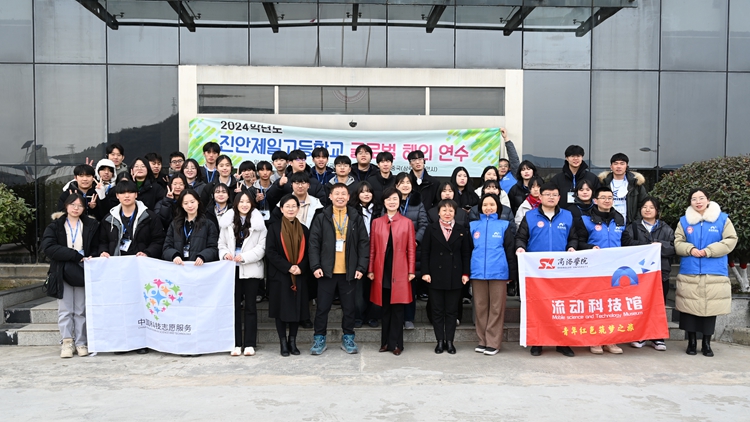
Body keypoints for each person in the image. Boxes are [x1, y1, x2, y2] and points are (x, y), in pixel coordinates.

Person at [515, 183, 578, 357]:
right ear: (540, 197)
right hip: (537, 272)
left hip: (561, 271)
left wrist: (572, 247)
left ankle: (562, 342)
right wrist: (520, 248)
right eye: (547, 194)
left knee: (561, 307)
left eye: (554, 194)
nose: (551, 197)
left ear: (559, 198)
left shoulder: (567, 216)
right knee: (538, 307)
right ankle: (537, 342)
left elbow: (573, 238)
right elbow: (521, 237)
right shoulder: (530, 216)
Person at [674, 188, 737, 357]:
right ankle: (692, 342)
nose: (698, 202)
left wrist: (710, 251)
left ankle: (707, 344)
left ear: (708, 200)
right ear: (690, 202)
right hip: (690, 270)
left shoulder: (722, 219)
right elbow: (678, 242)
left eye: (701, 198)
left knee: (710, 309)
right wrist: (690, 249)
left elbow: (731, 240)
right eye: (694, 199)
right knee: (688, 308)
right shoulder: (684, 221)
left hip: (714, 270)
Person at [308, 183, 370, 355]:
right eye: (337, 193)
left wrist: (361, 267)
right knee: (322, 308)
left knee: (349, 308)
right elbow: (313, 244)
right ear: (330, 196)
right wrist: (315, 266)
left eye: (344, 194)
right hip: (326, 271)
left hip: (349, 272)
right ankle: (319, 338)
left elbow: (364, 243)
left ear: (349, 197)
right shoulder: (321, 216)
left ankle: (348, 337)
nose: (340, 197)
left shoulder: (355, 217)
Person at [41, 194, 99, 358]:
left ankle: (81, 342)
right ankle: (67, 342)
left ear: (84, 208)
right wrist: (74, 255)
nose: (76, 208)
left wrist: (92, 256)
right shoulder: (55, 226)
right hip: (62, 270)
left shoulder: (91, 225)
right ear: (66, 206)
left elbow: (96, 246)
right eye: (73, 204)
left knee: (80, 309)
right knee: (65, 309)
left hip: (82, 270)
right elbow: (48, 247)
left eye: (80, 205)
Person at [575, 186, 626, 355]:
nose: (607, 200)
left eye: (610, 198)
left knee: (613, 306)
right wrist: (590, 247)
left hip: (615, 270)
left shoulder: (620, 219)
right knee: (595, 306)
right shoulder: (585, 220)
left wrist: (649, 247)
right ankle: (595, 340)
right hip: (594, 270)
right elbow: (579, 242)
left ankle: (611, 340)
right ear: (595, 200)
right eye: (603, 197)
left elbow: (627, 243)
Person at [622, 197, 676, 351]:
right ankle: (640, 335)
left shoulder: (666, 228)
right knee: (641, 305)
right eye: (644, 207)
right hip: (639, 275)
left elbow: (674, 248)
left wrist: (660, 246)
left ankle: (657, 337)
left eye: (651, 207)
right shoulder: (632, 227)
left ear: (657, 211)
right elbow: (627, 244)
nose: (647, 210)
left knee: (659, 305)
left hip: (660, 273)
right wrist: (648, 246)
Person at [218, 191, 267, 357]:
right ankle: (236, 343)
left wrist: (244, 257)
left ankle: (250, 344)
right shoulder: (227, 222)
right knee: (234, 307)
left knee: (250, 307)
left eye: (247, 202)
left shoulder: (259, 223)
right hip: (232, 269)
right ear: (236, 204)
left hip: (251, 269)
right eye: (241, 201)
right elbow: (221, 244)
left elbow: (261, 248)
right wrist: (225, 254)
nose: (244, 205)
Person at [368, 187, 416, 355]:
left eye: (395, 198)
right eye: (388, 199)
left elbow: (411, 249)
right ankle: (385, 343)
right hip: (382, 270)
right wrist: (370, 269)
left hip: (400, 270)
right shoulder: (377, 222)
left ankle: (397, 344)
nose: (392, 202)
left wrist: (411, 270)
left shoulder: (407, 222)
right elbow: (372, 249)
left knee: (398, 309)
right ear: (384, 202)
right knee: (385, 308)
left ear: (399, 200)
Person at [422, 199, 472, 354]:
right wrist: (425, 272)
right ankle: (439, 341)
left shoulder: (461, 229)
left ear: (455, 213)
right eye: (444, 210)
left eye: (451, 210)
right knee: (437, 310)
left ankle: (450, 341)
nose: (447, 213)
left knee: (451, 311)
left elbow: (466, 253)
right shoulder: (431, 229)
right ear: (438, 212)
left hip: (455, 276)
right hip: (434, 275)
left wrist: (465, 273)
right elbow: (425, 252)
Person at [470, 194, 517, 356]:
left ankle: (493, 342)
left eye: (492, 204)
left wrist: (511, 273)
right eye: (485, 205)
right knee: (480, 307)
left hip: (498, 272)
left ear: (498, 207)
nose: (488, 208)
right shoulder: (473, 225)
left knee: (496, 308)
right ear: (480, 207)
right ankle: (482, 340)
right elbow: (468, 249)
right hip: (477, 272)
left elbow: (510, 250)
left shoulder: (504, 225)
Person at [265, 194, 311, 357]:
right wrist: (288, 267)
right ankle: (283, 343)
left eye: (294, 206)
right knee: (281, 310)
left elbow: (309, 252)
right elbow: (270, 252)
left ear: (298, 209)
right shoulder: (274, 228)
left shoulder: (304, 229)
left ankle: (293, 341)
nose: (291, 209)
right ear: (281, 209)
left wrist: (301, 267)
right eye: (287, 206)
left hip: (299, 275)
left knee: (296, 310)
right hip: (280, 275)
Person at [394, 172, 429, 329]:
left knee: (410, 284)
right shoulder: (391, 201)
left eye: (408, 182)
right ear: (396, 186)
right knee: (394, 284)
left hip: (412, 250)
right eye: (402, 183)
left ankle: (409, 318)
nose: (405, 185)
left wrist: (415, 241)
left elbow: (424, 224)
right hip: (394, 250)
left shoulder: (417, 203)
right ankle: (396, 317)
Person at [350, 181, 381, 328]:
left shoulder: (379, 210)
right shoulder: (352, 211)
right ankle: (358, 315)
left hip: (376, 250)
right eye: (362, 192)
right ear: (357, 194)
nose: (366, 194)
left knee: (374, 284)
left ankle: (373, 315)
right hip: (357, 251)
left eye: (368, 191)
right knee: (358, 286)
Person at [162, 189, 219, 268]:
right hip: (179, 268)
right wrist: (174, 255)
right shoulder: (175, 224)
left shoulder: (208, 224)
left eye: (192, 202)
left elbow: (213, 248)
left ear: (198, 201)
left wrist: (203, 256)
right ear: (182, 205)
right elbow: (166, 247)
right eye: (185, 203)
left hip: (199, 268)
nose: (190, 206)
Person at [597, 153, 648, 224]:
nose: (618, 166)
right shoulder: (603, 183)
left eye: (622, 163)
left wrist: (636, 222)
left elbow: (643, 204)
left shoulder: (636, 183)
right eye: (615, 163)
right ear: (611, 167)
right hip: (607, 223)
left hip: (629, 224)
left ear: (626, 166)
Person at [550, 144, 601, 209]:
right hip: (563, 212)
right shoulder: (557, 179)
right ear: (567, 158)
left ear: (582, 157)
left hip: (587, 213)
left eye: (578, 156)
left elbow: (598, 197)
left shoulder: (592, 178)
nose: (576, 158)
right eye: (572, 156)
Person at [497, 128, 520, 194]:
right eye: (500, 166)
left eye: (505, 166)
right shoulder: (492, 179)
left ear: (509, 168)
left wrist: (506, 138)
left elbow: (514, 158)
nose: (503, 168)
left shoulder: (514, 174)